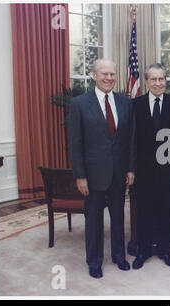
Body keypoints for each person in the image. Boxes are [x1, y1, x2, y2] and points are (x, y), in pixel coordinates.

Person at [69, 58, 137, 279]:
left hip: (119, 173)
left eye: (112, 74)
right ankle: (94, 261)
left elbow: (130, 140)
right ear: (94, 75)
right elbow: (75, 143)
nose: (109, 78)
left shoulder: (125, 103)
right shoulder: (80, 104)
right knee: (94, 219)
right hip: (93, 174)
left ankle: (119, 256)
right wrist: (80, 176)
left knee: (118, 217)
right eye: (104, 74)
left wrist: (130, 169)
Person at [131, 63, 170, 270]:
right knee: (144, 211)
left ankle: (164, 250)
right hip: (143, 170)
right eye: (153, 79)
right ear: (146, 82)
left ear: (166, 81)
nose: (158, 83)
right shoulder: (135, 105)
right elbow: (132, 140)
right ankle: (143, 251)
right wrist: (132, 168)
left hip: (167, 169)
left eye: (161, 79)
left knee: (165, 211)